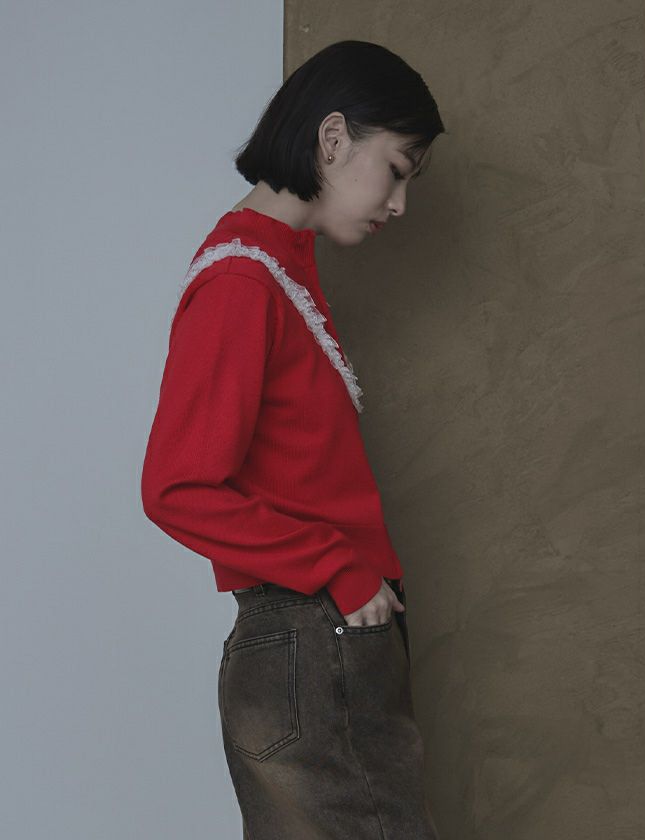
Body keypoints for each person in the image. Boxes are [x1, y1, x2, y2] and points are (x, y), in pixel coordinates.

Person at [141, 39, 445, 840]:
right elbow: (176, 487)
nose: (399, 205)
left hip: (333, 635)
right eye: (397, 170)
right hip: (314, 635)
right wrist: (338, 569)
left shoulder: (283, 262)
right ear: (333, 137)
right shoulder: (241, 281)